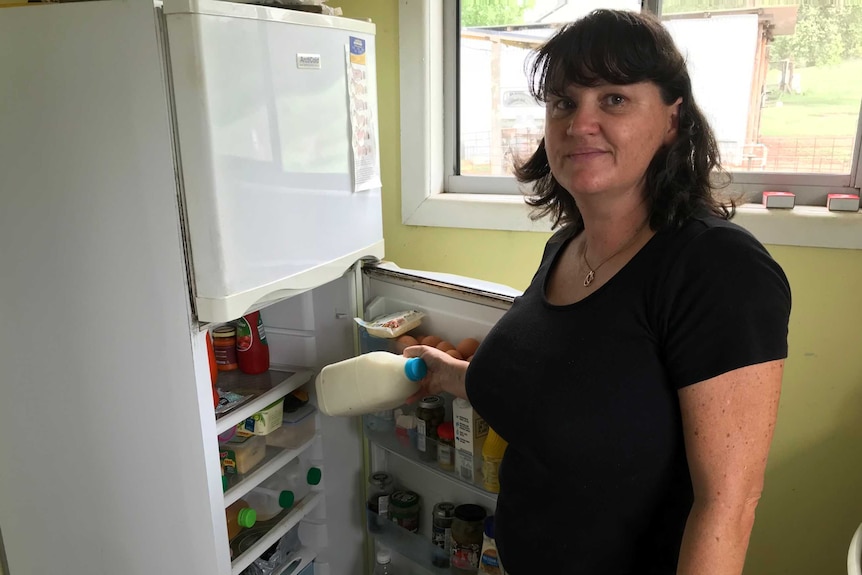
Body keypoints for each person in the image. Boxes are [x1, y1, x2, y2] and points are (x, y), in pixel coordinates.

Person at [404, 9, 791, 575]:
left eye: (613, 98)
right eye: (563, 102)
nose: (579, 123)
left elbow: (727, 507)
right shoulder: (566, 247)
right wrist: (446, 375)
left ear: (672, 120)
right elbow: (563, 397)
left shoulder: (717, 268)